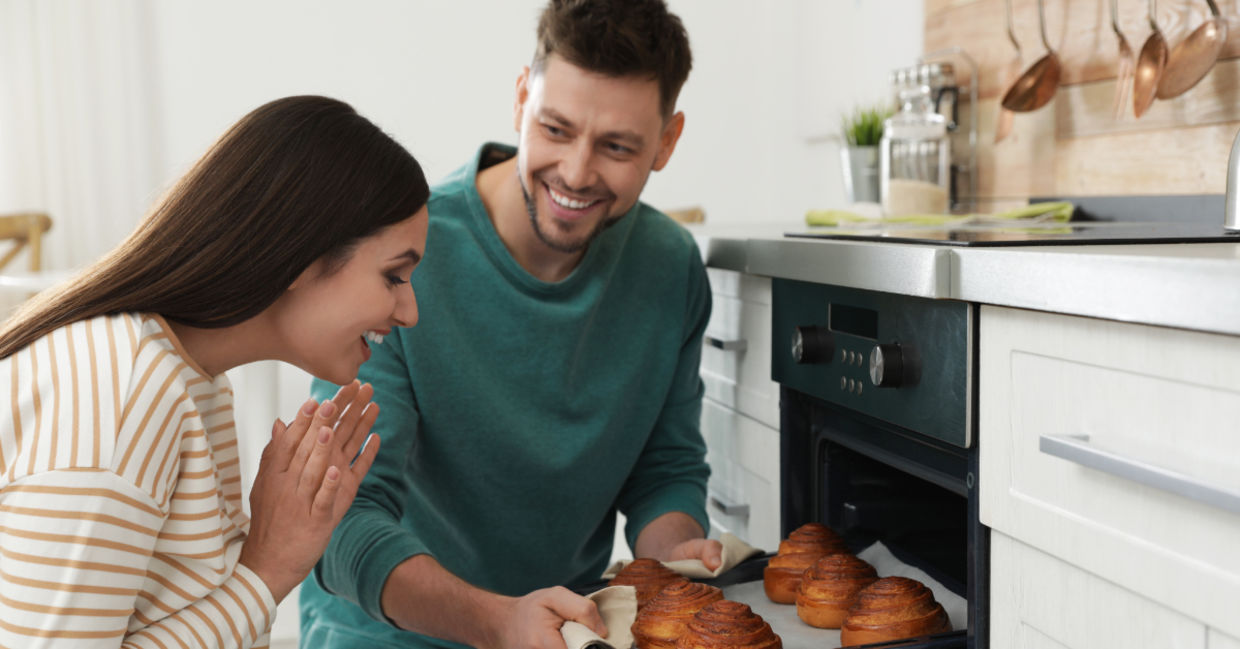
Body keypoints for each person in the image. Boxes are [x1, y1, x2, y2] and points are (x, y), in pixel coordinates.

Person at [299, 1, 718, 648]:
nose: (576, 173)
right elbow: (340, 518)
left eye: (616, 146)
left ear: (667, 141)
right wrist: (496, 621)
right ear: (522, 98)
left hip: (560, 630)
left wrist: (679, 549)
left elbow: (666, 468)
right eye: (556, 128)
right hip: (391, 634)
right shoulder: (404, 255)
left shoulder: (670, 266)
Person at [0, 95, 431, 648]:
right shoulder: (127, 393)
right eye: (395, 276)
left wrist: (269, 562)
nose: (410, 311)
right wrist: (267, 571)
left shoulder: (191, 380)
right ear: (302, 257)